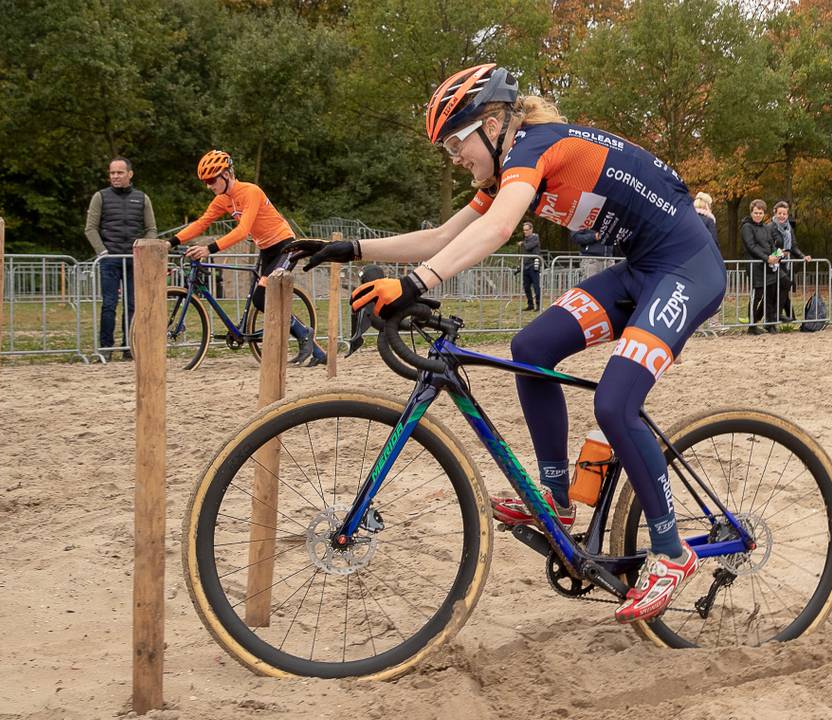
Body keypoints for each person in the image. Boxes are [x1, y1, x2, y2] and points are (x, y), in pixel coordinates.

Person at [286, 63, 723, 624]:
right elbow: (445, 236)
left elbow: (492, 234)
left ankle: (671, 552)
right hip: (643, 271)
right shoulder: (505, 171)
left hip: (688, 271)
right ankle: (558, 502)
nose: (455, 159)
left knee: (614, 401)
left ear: (493, 122)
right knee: (531, 347)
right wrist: (348, 250)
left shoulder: (536, 148)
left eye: (456, 144)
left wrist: (418, 283)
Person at [169, 150, 325, 366]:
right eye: (205, 182)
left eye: (211, 180)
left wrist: (209, 249)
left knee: (261, 299)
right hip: (265, 249)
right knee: (262, 298)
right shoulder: (222, 200)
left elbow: (243, 231)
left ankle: (304, 333)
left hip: (285, 244)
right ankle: (319, 353)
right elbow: (201, 223)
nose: (208, 186)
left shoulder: (250, 191)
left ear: (226, 175)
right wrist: (170, 242)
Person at [85, 157, 157, 361]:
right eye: (112, 173)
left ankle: (129, 348)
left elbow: (151, 229)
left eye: (119, 172)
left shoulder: (142, 198)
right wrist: (102, 251)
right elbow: (90, 228)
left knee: (133, 304)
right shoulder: (100, 197)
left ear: (130, 174)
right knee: (109, 304)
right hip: (110, 259)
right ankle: (105, 349)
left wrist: (145, 249)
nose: (115, 176)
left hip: (135, 259)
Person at [768, 201, 811, 323]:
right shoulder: (770, 227)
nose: (782, 216)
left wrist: (803, 256)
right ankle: (773, 316)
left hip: (785, 264)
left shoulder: (789, 229)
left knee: (784, 289)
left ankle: (780, 317)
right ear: (775, 213)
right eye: (780, 213)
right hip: (773, 264)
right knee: (779, 288)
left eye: (784, 214)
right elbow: (768, 248)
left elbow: (793, 247)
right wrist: (780, 253)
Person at [741, 199, 778, 333]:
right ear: (751, 212)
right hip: (755, 266)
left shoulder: (765, 227)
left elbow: (771, 243)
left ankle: (770, 323)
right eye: (756, 213)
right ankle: (752, 326)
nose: (758, 215)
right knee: (757, 296)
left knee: (769, 296)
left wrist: (776, 254)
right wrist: (767, 258)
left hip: (768, 266)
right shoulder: (746, 227)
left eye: (760, 213)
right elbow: (751, 246)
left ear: (764, 213)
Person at [519, 221, 542, 310]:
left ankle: (538, 305)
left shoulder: (535, 238)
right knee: (526, 286)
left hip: (533, 265)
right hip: (525, 265)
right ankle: (530, 305)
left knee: (536, 286)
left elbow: (529, 247)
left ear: (531, 229)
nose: (525, 232)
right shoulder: (525, 240)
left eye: (527, 230)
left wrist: (522, 243)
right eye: (524, 230)